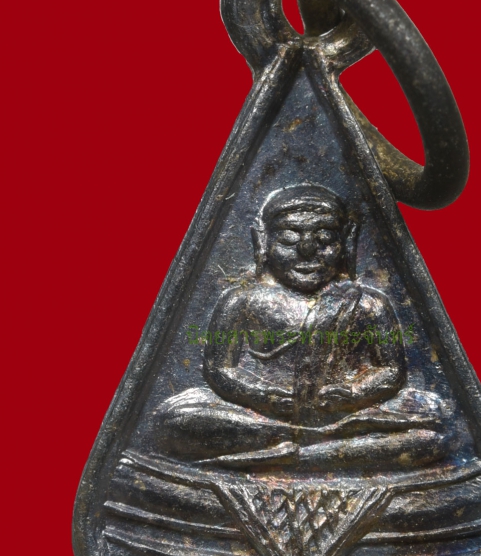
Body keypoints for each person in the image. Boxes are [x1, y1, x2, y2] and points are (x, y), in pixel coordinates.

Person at [153, 184, 452, 469]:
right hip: (263, 417)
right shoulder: (242, 300)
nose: (307, 249)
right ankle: (318, 449)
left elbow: (392, 371)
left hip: (346, 418)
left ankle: (292, 453)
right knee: (175, 419)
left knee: (434, 423)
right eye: (288, 238)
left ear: (347, 242)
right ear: (263, 242)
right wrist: (262, 396)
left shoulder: (368, 304)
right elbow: (218, 369)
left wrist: (354, 392)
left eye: (324, 238)